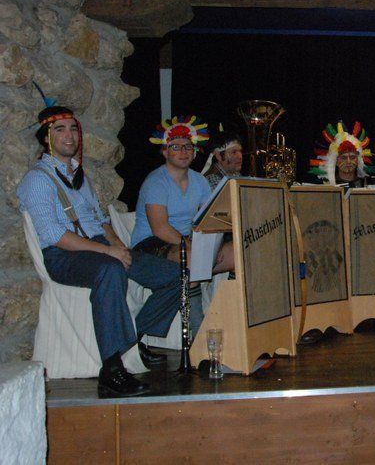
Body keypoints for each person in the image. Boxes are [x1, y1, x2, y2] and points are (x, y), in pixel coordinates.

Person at [17, 106, 181, 397]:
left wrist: (116, 244)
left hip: (99, 248)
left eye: (73, 128)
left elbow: (101, 220)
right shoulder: (37, 179)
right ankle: (112, 369)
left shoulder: (80, 176)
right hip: (64, 256)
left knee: (176, 274)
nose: (69, 135)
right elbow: (54, 236)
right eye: (60, 129)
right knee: (110, 269)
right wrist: (107, 253)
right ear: (46, 138)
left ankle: (135, 335)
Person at [130, 116, 236, 330]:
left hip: (185, 242)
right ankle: (197, 335)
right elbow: (160, 228)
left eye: (188, 146)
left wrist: (213, 242)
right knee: (192, 259)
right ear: (165, 152)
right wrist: (194, 247)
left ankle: (230, 322)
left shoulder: (199, 181)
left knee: (238, 253)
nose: (183, 151)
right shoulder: (156, 182)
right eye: (176, 147)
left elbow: (208, 219)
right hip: (150, 245)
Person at [308, 121, 375, 188]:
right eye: (343, 158)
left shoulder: (368, 183)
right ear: (336, 161)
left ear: (358, 160)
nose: (348, 161)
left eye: (352, 157)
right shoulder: (325, 185)